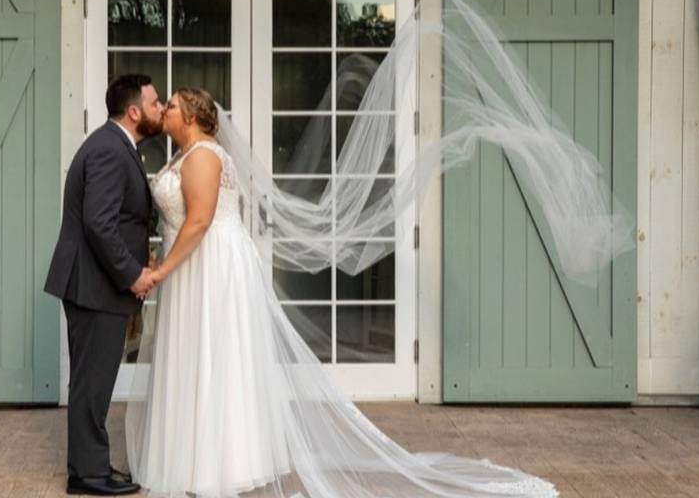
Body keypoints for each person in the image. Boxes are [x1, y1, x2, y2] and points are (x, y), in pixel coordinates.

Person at [125, 87, 560, 498]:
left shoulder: (202, 157)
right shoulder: (185, 154)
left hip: (209, 265)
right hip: (195, 265)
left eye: (175, 105)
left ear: (196, 117)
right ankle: (194, 458)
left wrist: (161, 270)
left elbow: (199, 221)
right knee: (198, 360)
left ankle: (214, 465)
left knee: (212, 359)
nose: (166, 110)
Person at [43, 74, 163, 496]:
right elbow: (99, 223)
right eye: (154, 102)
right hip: (94, 284)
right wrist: (131, 275)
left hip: (94, 282)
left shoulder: (114, 146)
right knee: (93, 382)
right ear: (133, 111)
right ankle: (89, 475)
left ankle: (90, 466)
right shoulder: (111, 150)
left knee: (93, 380)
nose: (160, 108)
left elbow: (120, 220)